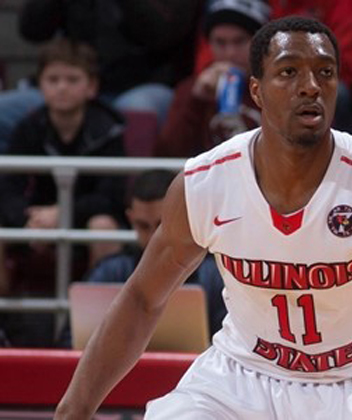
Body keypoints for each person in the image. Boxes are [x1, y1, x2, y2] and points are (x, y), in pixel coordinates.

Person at [54, 17, 352, 420]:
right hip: (240, 380)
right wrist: (74, 408)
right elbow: (141, 298)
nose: (310, 86)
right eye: (289, 72)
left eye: (325, 72)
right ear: (257, 91)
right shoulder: (206, 183)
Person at [0, 38, 126, 347]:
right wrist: (27, 222)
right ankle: (5, 327)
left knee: (104, 228)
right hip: (38, 226)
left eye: (72, 79)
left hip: (87, 222)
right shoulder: (28, 128)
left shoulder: (109, 130)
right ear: (40, 85)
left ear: (91, 86)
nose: (62, 88)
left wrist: (63, 214)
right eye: (53, 80)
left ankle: (96, 332)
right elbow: (7, 189)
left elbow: (110, 197)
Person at [0, 0, 203, 153]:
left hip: (140, 85)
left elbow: (163, 34)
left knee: (135, 114)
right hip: (73, 83)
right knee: (4, 111)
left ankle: (128, 204)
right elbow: (32, 31)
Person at [78, 170, 227, 340]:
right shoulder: (108, 273)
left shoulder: (215, 276)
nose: (151, 237)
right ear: (130, 218)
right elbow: (70, 342)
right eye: (142, 225)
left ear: (181, 218)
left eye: (159, 226)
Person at [155, 0, 270, 157]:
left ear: (259, 43)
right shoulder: (192, 88)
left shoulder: (277, 86)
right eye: (220, 42)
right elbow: (167, 156)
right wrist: (195, 101)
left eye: (239, 41)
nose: (230, 53)